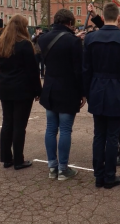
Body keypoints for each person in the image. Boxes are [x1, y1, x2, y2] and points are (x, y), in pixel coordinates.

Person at [83, 3, 120, 189]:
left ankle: (99, 175)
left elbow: (86, 69)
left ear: (103, 17)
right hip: (117, 90)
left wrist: (86, 92)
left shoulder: (90, 38)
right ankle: (109, 176)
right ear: (118, 18)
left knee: (99, 135)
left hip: (97, 89)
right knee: (112, 136)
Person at [38, 9, 86, 180]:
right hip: (68, 90)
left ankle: (52, 166)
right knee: (65, 129)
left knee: (51, 128)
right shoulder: (73, 42)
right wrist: (83, 92)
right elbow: (78, 71)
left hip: (50, 88)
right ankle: (63, 169)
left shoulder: (43, 38)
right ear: (70, 23)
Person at [0, 15, 41, 170]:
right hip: (22, 90)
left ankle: (6, 158)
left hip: (5, 88)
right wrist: (38, 90)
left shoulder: (2, 43)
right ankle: (18, 159)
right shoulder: (24, 45)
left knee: (7, 122)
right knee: (19, 125)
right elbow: (32, 71)